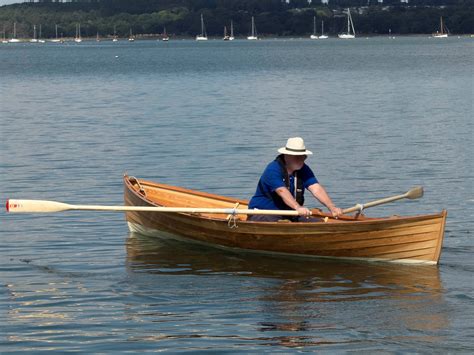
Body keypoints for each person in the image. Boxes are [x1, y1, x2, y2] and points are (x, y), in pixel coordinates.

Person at [248, 137, 342, 222]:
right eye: (297, 156)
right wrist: (297, 207)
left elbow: (316, 188)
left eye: (303, 156)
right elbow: (281, 191)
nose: (301, 159)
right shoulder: (273, 169)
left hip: (290, 213)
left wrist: (332, 207)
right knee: (281, 225)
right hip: (264, 212)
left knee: (318, 223)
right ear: (286, 155)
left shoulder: (303, 168)